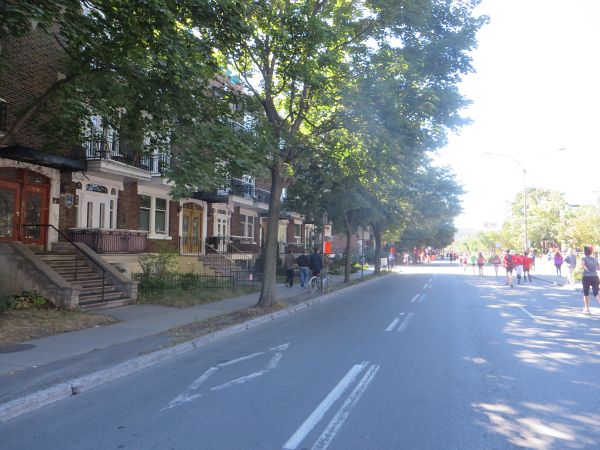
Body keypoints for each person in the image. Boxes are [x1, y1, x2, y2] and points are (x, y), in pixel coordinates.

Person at [580, 246, 599, 314]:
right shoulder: (595, 259)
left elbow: (582, 265)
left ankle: (586, 309)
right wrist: (594, 269)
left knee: (586, 293)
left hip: (586, 277)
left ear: (584, 252)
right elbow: (598, 267)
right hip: (595, 277)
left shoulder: (583, 258)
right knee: (596, 293)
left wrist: (587, 269)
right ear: (590, 252)